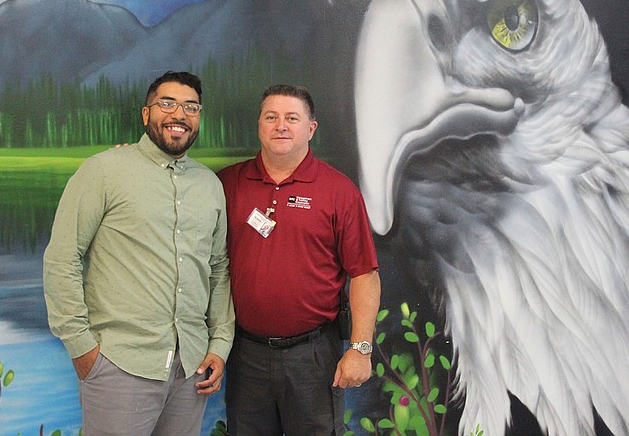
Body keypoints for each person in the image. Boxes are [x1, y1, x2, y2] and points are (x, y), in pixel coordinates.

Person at [43, 71, 234, 436]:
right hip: (120, 364)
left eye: (190, 107)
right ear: (146, 114)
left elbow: (218, 269)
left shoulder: (209, 185)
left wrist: (220, 344)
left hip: (190, 369)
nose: (179, 114)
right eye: (167, 103)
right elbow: (62, 258)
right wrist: (83, 349)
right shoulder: (104, 171)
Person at [217, 84, 381, 435]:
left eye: (292, 118)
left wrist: (361, 348)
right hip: (246, 354)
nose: (281, 125)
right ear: (259, 125)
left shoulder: (338, 191)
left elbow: (365, 275)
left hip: (313, 356)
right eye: (271, 117)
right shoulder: (227, 184)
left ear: (311, 128)